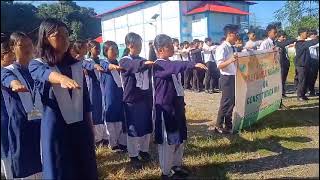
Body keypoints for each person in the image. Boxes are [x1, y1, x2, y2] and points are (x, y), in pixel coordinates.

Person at [28, 18, 98, 180]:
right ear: (46, 38)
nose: (66, 39)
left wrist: (90, 126)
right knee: (60, 170)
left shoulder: (76, 65)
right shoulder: (37, 64)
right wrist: (60, 78)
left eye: (67, 35)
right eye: (60, 35)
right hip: (56, 129)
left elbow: (85, 100)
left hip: (80, 127)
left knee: (84, 168)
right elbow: (43, 74)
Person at [152, 34, 207, 179]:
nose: (173, 47)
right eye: (170, 45)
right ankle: (166, 172)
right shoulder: (158, 64)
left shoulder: (168, 62)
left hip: (177, 106)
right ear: (161, 49)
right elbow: (174, 67)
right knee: (167, 141)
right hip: (166, 109)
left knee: (180, 138)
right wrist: (192, 64)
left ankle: (176, 165)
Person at [1, 32, 42, 179]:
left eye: (29, 45)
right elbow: (7, 79)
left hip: (39, 121)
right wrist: (15, 84)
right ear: (12, 48)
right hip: (20, 124)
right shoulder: (7, 70)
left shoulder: (37, 68)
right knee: (25, 166)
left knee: (42, 160)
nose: (27, 48)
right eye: (21, 45)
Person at [119, 32, 154, 169]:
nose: (139, 47)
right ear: (129, 45)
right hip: (132, 99)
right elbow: (134, 66)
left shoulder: (142, 59)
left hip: (145, 98)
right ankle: (133, 155)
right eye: (137, 44)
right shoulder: (124, 61)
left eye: (140, 44)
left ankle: (144, 150)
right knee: (133, 128)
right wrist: (146, 63)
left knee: (146, 126)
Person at [100, 40, 127, 152]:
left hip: (120, 94)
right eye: (112, 49)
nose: (115, 51)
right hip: (109, 96)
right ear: (106, 51)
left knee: (120, 118)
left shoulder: (119, 62)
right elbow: (108, 66)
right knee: (110, 118)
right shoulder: (103, 62)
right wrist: (116, 67)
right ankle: (113, 143)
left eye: (116, 49)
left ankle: (121, 142)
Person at [212, 24, 239, 134]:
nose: (237, 36)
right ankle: (218, 125)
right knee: (225, 102)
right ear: (230, 34)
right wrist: (231, 60)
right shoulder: (222, 47)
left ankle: (228, 125)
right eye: (236, 34)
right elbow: (219, 65)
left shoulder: (233, 47)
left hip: (233, 77)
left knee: (232, 102)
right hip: (226, 78)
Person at [83, 40, 109, 146]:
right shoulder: (87, 61)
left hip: (103, 87)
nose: (98, 50)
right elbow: (87, 65)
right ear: (89, 49)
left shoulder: (102, 60)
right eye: (95, 48)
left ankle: (106, 136)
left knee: (104, 109)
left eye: (99, 47)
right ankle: (97, 138)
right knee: (96, 112)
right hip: (93, 89)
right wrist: (95, 66)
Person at [1, 34, 15, 180]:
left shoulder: (12, 70)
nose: (13, 58)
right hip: (5, 115)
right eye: (11, 55)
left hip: (9, 114)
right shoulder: (5, 72)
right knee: (6, 146)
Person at [294, 28, 319, 101]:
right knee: (301, 81)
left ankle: (303, 94)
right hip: (301, 65)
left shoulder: (304, 42)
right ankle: (299, 96)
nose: (307, 34)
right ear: (301, 33)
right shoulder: (299, 42)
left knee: (305, 80)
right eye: (306, 33)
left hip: (305, 64)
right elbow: (311, 43)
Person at [274, 31, 296, 97]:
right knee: (281, 79)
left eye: (285, 37)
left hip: (286, 63)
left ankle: (283, 92)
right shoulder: (277, 43)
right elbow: (286, 43)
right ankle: (281, 93)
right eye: (283, 37)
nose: (284, 38)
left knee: (284, 79)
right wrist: (296, 39)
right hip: (281, 64)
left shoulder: (284, 44)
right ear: (278, 37)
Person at [307, 30, 319, 96]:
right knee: (311, 76)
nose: (316, 36)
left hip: (316, 60)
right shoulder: (309, 41)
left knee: (314, 76)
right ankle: (311, 91)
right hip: (311, 60)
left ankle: (312, 90)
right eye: (315, 35)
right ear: (312, 35)